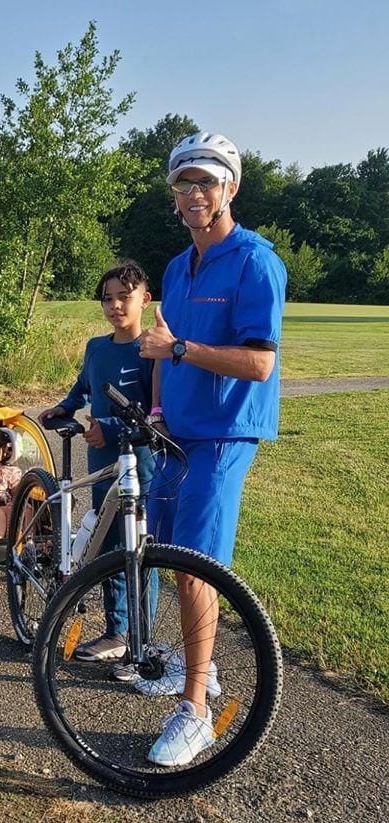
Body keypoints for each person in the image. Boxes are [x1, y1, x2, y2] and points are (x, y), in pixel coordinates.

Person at [137, 131, 287, 767]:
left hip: (226, 435)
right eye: (184, 183)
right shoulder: (177, 266)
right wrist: (158, 409)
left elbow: (258, 363)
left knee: (197, 564)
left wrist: (179, 351)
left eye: (206, 181)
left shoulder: (256, 261)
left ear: (231, 187)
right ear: (173, 194)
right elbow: (168, 342)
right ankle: (204, 669)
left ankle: (196, 710)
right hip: (177, 432)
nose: (194, 193)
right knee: (174, 559)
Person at [39, 260, 157, 666]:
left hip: (139, 464)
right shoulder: (96, 348)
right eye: (108, 299)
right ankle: (115, 632)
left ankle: (142, 637)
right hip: (102, 462)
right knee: (106, 547)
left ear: (146, 299)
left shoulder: (151, 350)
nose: (115, 305)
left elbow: (151, 409)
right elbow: (83, 387)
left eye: (125, 297)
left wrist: (107, 424)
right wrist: (64, 406)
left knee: (139, 548)